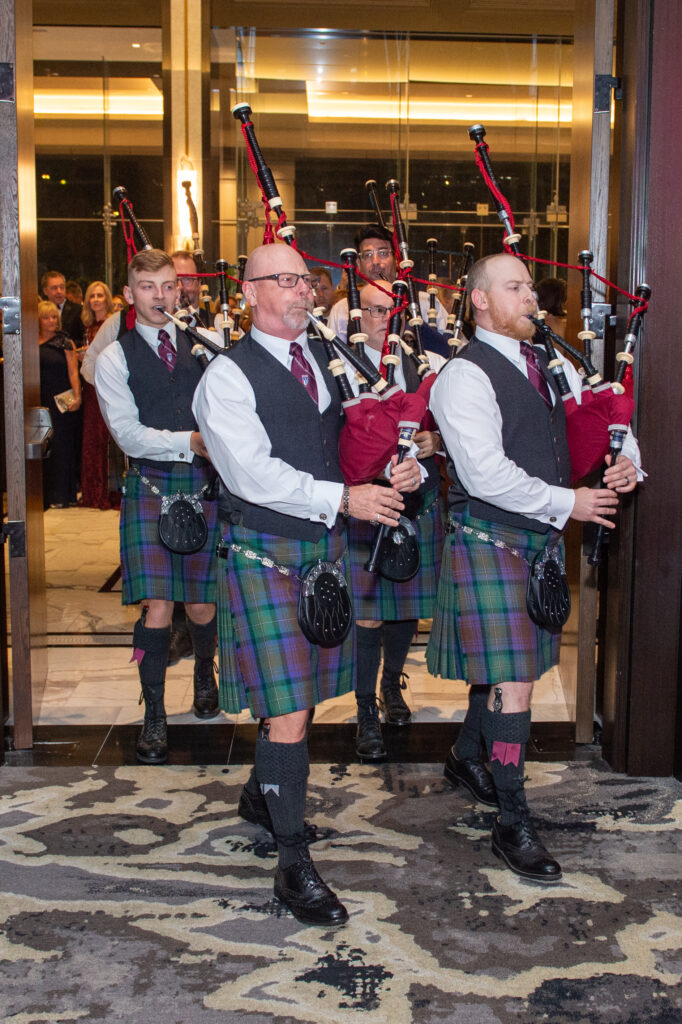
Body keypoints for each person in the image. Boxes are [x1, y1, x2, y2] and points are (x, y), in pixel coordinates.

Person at [193, 242, 420, 927]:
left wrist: (394, 470)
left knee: (308, 697)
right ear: (249, 291)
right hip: (268, 549)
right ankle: (292, 863)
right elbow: (251, 475)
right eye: (286, 281)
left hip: (326, 548)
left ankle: (264, 797)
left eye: (306, 281)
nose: (303, 292)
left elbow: (356, 443)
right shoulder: (226, 378)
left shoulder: (327, 359)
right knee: (290, 707)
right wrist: (344, 498)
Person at [427, 252, 643, 883]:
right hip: (491, 537)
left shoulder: (547, 361)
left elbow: (600, 423)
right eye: (515, 287)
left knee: (503, 670)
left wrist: (625, 464)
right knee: (513, 680)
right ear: (481, 301)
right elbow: (484, 474)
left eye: (530, 286)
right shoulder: (463, 377)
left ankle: (469, 757)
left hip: (534, 540)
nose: (531, 297)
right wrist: (569, 502)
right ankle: (512, 819)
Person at [94, 249, 220, 765]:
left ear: (181, 290)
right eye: (148, 287)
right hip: (151, 487)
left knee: (203, 604)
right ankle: (154, 711)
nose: (160, 296)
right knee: (158, 607)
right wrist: (188, 441)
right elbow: (126, 433)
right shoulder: (113, 357)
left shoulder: (207, 346)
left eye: (168, 286)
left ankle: (204, 673)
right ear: (130, 294)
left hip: (207, 487)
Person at [344, 282, 446, 760]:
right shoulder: (339, 362)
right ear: (356, 312)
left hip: (416, 499)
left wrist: (433, 443)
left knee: (405, 606)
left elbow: (445, 424)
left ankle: (391, 685)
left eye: (389, 310)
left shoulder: (426, 361)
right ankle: (366, 708)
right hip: (366, 500)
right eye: (371, 309)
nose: (380, 318)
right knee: (368, 611)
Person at [327, 224, 449, 346]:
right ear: (358, 263)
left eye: (383, 253)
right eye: (368, 255)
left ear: (396, 260)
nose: (375, 262)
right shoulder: (342, 310)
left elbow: (453, 353)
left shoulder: (424, 303)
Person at [38, 300, 82, 508]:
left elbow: (73, 371)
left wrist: (77, 396)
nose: (51, 321)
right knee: (42, 445)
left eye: (54, 316)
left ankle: (64, 495)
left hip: (61, 400)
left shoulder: (64, 342)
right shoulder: (31, 341)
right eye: (46, 317)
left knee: (62, 445)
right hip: (38, 398)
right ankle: (45, 495)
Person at [80, 281, 117, 510]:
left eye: (100, 295)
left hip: (107, 386)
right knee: (92, 440)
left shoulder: (113, 324)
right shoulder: (86, 326)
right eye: (92, 295)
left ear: (107, 299)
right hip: (90, 387)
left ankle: (111, 492)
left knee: (108, 439)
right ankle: (93, 492)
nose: (95, 299)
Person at [41, 270, 84, 345]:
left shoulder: (78, 310)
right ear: (45, 291)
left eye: (62, 287)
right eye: (54, 288)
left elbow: (84, 340)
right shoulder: (38, 312)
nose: (59, 291)